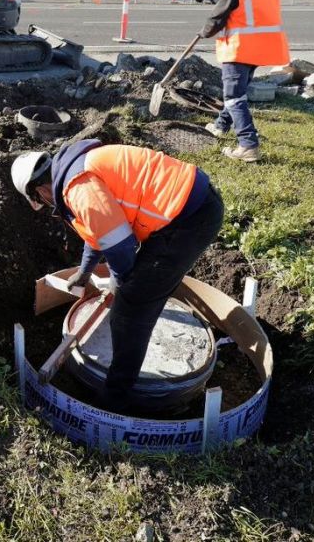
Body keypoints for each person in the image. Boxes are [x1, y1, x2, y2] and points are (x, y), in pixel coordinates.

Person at [11, 140, 224, 413]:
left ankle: (115, 400)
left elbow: (120, 244)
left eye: (42, 202)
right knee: (138, 287)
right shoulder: (76, 171)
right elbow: (98, 229)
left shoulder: (78, 188)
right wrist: (84, 272)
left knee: (130, 311)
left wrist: (126, 287)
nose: (47, 205)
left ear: (40, 190)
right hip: (186, 209)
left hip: (188, 219)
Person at [200, 0, 290, 162]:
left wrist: (205, 31)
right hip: (262, 47)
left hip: (239, 49)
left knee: (233, 96)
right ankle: (221, 126)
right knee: (237, 92)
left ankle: (248, 145)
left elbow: (217, 16)